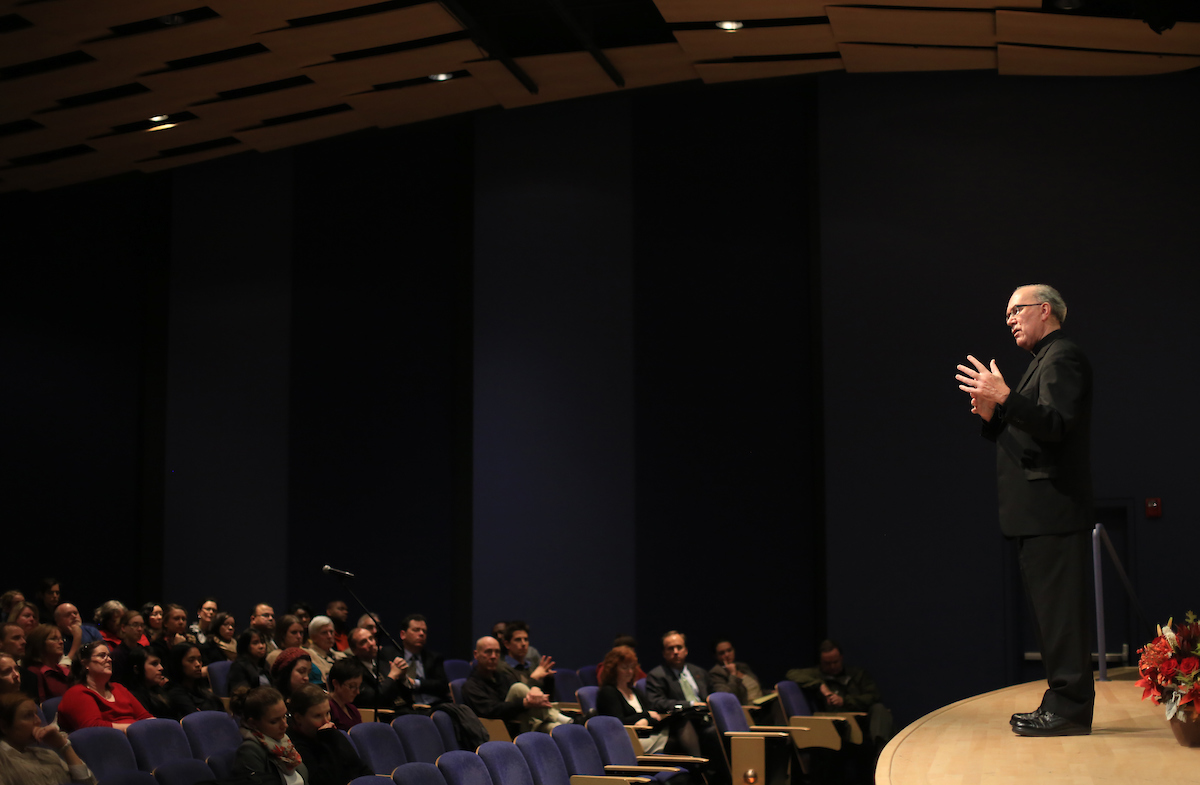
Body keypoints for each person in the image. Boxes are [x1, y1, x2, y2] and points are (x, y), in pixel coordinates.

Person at [957, 283, 1096, 737]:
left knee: (1061, 618)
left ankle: (1070, 709)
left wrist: (1006, 398)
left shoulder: (1063, 356)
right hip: (1037, 515)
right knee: (1049, 616)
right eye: (1007, 314)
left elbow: (1056, 425)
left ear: (1045, 310)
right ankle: (1061, 703)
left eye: (1016, 310)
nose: (1010, 319)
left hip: (1053, 511)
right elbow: (1033, 435)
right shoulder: (1042, 362)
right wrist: (993, 417)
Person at [787, 640, 893, 751]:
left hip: (862, 720)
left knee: (879, 709)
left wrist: (844, 701)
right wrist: (820, 685)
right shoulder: (816, 674)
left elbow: (874, 696)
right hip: (833, 724)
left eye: (835, 662)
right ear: (821, 661)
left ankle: (881, 750)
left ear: (841, 658)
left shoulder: (857, 674)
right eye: (827, 663)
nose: (832, 666)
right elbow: (791, 674)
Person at [463, 636, 570, 736]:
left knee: (556, 728)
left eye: (497, 652)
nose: (493, 656)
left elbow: (525, 695)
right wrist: (524, 703)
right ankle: (563, 717)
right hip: (500, 729)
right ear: (476, 654)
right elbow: (491, 710)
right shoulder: (471, 685)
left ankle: (565, 721)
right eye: (488, 652)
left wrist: (545, 680)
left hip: (523, 721)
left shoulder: (502, 677)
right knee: (518, 687)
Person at [0, 692, 98, 784]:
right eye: (28, 716)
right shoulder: (4, 761)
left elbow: (87, 782)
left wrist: (63, 746)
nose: (38, 721)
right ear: (4, 726)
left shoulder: (45, 754)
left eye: (36, 714)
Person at [56, 642, 153, 731]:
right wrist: (135, 729)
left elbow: (145, 717)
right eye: (102, 656)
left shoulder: (118, 688)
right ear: (85, 663)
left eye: (109, 656)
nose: (109, 660)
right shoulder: (77, 692)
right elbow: (92, 727)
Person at [287, 684, 372, 785]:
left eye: (327, 713)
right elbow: (323, 781)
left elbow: (360, 768)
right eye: (317, 716)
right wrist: (327, 740)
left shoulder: (331, 734)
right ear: (298, 718)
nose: (326, 721)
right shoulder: (293, 745)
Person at [596, 646, 671, 753]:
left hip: (648, 735)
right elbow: (618, 722)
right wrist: (646, 715)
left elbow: (655, 717)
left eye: (632, 667)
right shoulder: (608, 692)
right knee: (674, 741)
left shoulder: (635, 691)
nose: (630, 671)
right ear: (613, 669)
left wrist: (645, 719)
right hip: (627, 741)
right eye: (625, 668)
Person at [232, 686, 308, 784]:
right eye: (274, 721)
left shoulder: (284, 742)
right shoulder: (249, 752)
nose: (285, 725)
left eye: (284, 716)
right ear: (253, 723)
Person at [347, 627, 406, 712]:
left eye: (371, 638)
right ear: (354, 650)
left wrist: (403, 677)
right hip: (384, 715)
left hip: (404, 709)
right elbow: (374, 699)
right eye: (364, 642)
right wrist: (392, 676)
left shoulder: (384, 663)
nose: (371, 644)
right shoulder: (353, 670)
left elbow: (407, 695)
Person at [397, 614, 450, 707]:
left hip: (434, 706)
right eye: (416, 630)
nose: (421, 634)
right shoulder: (391, 655)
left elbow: (442, 686)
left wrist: (416, 683)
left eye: (424, 631)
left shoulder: (434, 658)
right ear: (403, 634)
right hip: (406, 707)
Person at [165, 643, 223, 716]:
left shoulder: (201, 689)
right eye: (191, 660)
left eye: (199, 660)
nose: (198, 664)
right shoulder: (175, 694)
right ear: (178, 664)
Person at [125, 647, 181, 721]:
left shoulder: (162, 690)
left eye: (159, 663)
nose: (161, 668)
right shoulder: (134, 697)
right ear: (137, 669)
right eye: (154, 664)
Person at [708, 638, 765, 703]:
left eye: (729, 650)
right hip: (746, 709)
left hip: (761, 703)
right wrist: (733, 674)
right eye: (722, 653)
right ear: (716, 656)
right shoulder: (716, 673)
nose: (727, 655)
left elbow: (755, 689)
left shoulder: (742, 666)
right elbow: (727, 697)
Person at [23, 625, 70, 702]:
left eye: (61, 639)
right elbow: (42, 704)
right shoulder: (34, 672)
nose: (61, 642)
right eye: (54, 639)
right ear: (39, 643)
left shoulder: (64, 671)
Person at [304, 616, 345, 686]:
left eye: (331, 632)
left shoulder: (342, 656)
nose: (329, 636)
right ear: (313, 637)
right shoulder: (308, 655)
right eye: (324, 633)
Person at [229, 628, 272, 693]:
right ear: (246, 646)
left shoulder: (264, 664)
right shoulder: (238, 667)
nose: (261, 646)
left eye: (263, 642)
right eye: (255, 643)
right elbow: (241, 694)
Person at [326, 658, 364, 730]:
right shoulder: (328, 709)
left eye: (359, 687)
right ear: (336, 683)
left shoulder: (353, 709)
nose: (357, 692)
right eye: (352, 686)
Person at [110, 610, 145, 686]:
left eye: (142, 625)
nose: (139, 629)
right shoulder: (117, 655)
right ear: (123, 627)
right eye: (135, 625)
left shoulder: (143, 650)